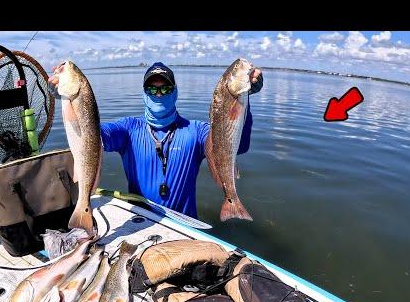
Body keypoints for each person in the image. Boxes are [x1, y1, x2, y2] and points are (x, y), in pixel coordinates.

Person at [50, 61, 263, 218]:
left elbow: (238, 145)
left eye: (165, 88)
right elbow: (92, 138)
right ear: (144, 94)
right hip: (140, 222)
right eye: (152, 88)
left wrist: (245, 101)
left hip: (186, 226)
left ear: (175, 92)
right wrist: (70, 101)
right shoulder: (128, 129)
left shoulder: (196, 131)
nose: (159, 94)